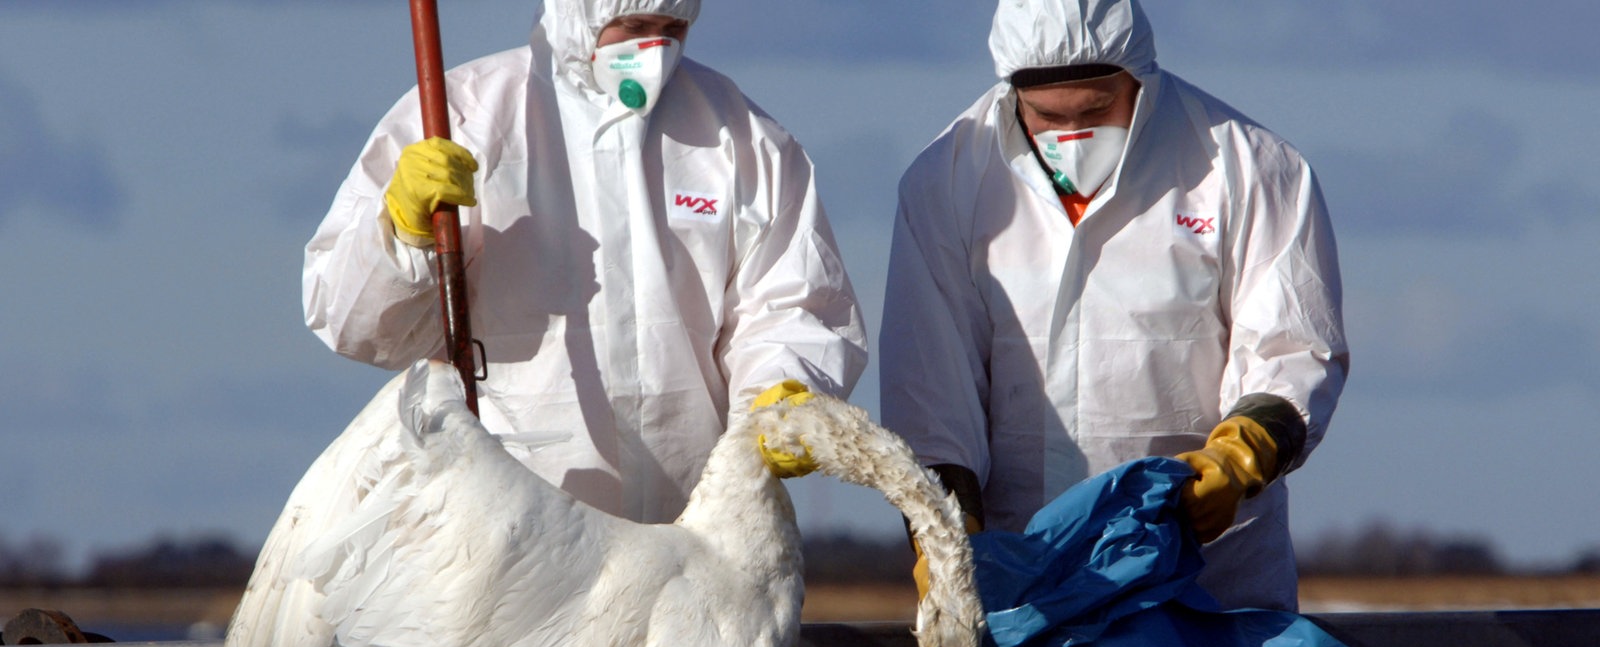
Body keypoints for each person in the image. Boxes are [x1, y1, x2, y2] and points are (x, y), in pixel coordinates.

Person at [304, 0, 868, 522]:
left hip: (693, 532)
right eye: (636, 28)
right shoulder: (461, 115)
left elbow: (792, 304)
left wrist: (777, 399)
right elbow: (350, 322)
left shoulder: (741, 137)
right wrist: (403, 234)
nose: (655, 51)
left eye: (673, 30)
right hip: (506, 529)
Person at [882, 0, 1347, 610]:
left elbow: (1294, 344)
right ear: (1010, 92)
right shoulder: (945, 180)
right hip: (1021, 585)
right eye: (1046, 115)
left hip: (1212, 583)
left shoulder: (1251, 167)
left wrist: (1239, 458)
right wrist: (941, 531)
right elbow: (932, 389)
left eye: (1099, 108)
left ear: (1140, 79)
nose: (1072, 135)